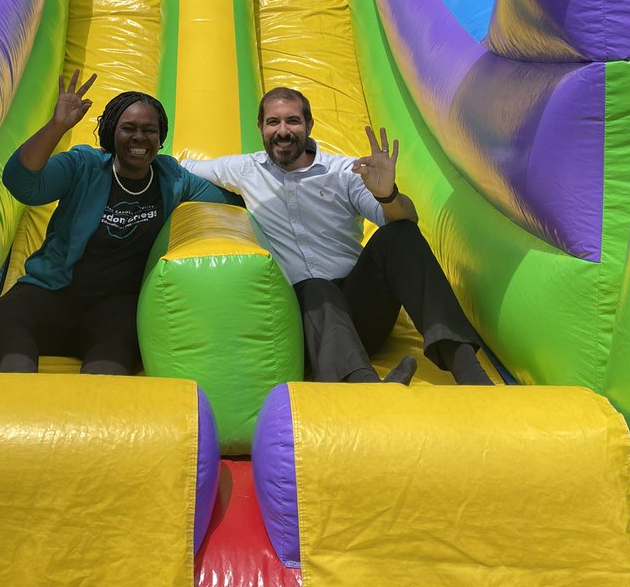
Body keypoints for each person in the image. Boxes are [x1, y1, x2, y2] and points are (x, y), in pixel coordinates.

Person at [182, 87, 493, 386]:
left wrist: (388, 195)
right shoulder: (246, 170)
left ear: (309, 125)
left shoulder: (344, 171)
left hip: (360, 309)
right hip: (303, 319)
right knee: (316, 288)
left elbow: (406, 217)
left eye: (292, 120)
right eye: (273, 122)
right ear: (261, 127)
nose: (283, 130)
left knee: (401, 236)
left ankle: (468, 369)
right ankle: (364, 387)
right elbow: (183, 167)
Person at [0, 69, 239, 375]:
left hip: (117, 307)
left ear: (161, 136)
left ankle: (95, 408)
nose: (140, 137)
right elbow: (22, 183)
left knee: (119, 346)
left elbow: (229, 202)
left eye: (149, 130)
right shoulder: (83, 165)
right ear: (111, 133)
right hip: (54, 293)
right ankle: (17, 397)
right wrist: (57, 126)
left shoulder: (171, 178)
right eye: (128, 128)